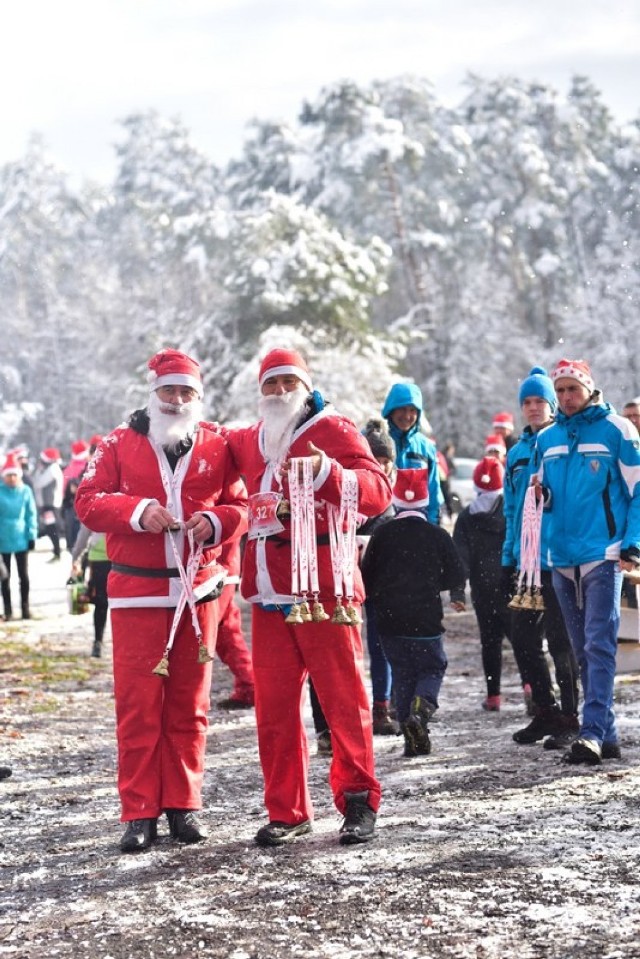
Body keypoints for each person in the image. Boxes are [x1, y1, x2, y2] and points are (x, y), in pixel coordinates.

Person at [75, 348, 247, 851]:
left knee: (189, 706)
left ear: (198, 397)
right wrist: (138, 510)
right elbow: (87, 500)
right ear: (153, 395)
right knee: (138, 707)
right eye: (169, 391)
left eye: (186, 392)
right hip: (137, 593)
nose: (177, 400)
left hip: (199, 592)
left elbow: (239, 503)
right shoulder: (117, 444)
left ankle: (183, 805)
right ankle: (139, 812)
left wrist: (217, 522)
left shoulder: (217, 445)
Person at [223, 348, 392, 847]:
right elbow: (201, 444)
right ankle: (288, 810)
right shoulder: (251, 439)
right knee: (273, 709)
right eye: (269, 384)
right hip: (271, 593)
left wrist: (329, 475)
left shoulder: (334, 429)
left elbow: (379, 490)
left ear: (305, 384)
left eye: (286, 382)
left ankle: (359, 801)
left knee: (343, 701)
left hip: (326, 587)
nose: (277, 392)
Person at [533, 359, 640, 765]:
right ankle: (607, 733)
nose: (565, 398)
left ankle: (591, 732)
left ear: (588, 388)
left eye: (571, 390)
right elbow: (543, 497)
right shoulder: (547, 438)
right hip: (561, 559)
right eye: (559, 392)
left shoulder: (618, 431)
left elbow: (639, 492)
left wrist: (631, 543)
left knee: (599, 645)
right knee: (581, 650)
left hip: (603, 555)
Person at [362, 468, 466, 758]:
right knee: (433, 667)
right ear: (425, 500)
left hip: (389, 620)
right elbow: (456, 572)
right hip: (425, 618)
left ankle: (413, 739)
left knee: (403, 673)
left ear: (395, 501)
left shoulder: (381, 534)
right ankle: (422, 710)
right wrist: (436, 583)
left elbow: (366, 575)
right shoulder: (436, 535)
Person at [502, 367, 580, 749]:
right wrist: (508, 558)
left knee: (560, 640)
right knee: (522, 638)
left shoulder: (560, 441)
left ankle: (570, 715)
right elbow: (512, 509)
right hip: (524, 562)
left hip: (556, 558)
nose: (533, 408)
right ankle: (545, 709)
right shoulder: (516, 452)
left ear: (551, 404)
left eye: (539, 401)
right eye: (527, 402)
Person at [453, 456, 524, 712]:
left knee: (490, 642)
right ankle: (530, 686)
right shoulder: (510, 512)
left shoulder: (466, 517)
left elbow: (459, 557)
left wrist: (458, 590)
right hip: (511, 585)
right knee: (520, 640)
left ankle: (494, 695)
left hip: (482, 589)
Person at [359, 418, 397, 735]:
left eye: (386, 461)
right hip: (352, 578)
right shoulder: (354, 490)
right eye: (376, 460)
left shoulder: (398, 494)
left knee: (381, 644)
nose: (382, 467)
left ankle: (383, 704)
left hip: (384, 583)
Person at [381, 383, 443, 524]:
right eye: (402, 409)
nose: (407, 416)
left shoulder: (426, 447)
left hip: (418, 528)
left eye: (412, 410)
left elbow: (434, 495)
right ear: (391, 410)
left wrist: (432, 529)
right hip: (381, 528)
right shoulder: (375, 441)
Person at [214, 536, 255, 709]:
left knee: (221, 632)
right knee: (226, 631)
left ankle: (250, 685)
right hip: (223, 566)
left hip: (216, 569)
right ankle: (249, 685)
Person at [0, 453, 38, 621]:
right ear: (4, 476)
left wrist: (32, 535)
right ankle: (8, 610)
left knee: (24, 576)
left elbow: (31, 514)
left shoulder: (25, 491)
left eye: (15, 474)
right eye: (9, 475)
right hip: (3, 539)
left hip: (21, 537)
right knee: (4, 577)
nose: (12, 478)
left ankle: (25, 608)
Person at [71, 523, 111, 658]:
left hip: (116, 559)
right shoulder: (96, 504)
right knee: (101, 602)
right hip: (102, 559)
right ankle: (98, 641)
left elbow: (83, 535)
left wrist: (75, 556)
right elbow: (84, 533)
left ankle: (99, 642)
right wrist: (75, 558)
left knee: (103, 602)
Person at [32, 447, 63, 561]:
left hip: (51, 505)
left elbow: (38, 483)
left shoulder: (52, 469)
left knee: (52, 529)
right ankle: (56, 551)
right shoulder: (51, 468)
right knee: (50, 529)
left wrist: (39, 471)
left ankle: (57, 552)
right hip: (49, 504)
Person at [62, 440, 90, 551]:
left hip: (69, 506)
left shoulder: (69, 468)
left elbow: (63, 489)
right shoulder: (87, 467)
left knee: (73, 540)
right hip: (82, 506)